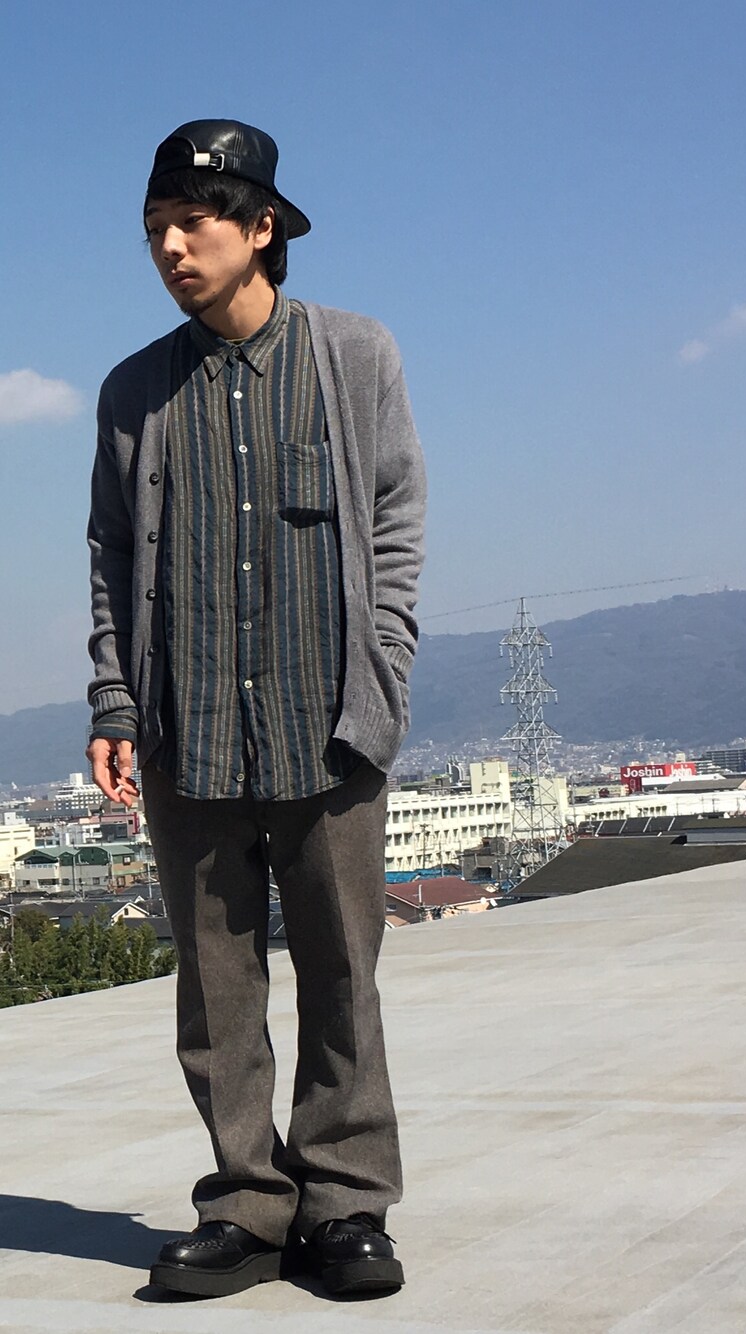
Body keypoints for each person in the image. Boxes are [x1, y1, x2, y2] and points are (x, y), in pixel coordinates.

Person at [86, 119, 426, 1299]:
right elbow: (110, 553)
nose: (171, 248)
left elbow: (395, 520)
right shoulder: (134, 390)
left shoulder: (354, 355)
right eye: (155, 230)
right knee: (215, 987)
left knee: (340, 976)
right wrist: (114, 699)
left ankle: (345, 1203)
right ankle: (245, 1200)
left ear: (262, 227)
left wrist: (383, 673)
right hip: (185, 732)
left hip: (327, 724)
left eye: (193, 223)